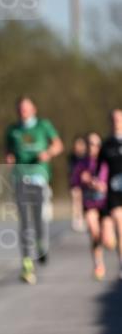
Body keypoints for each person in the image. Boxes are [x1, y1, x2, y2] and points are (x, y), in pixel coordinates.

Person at [5, 97, 64, 284]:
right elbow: (9, 151)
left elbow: (58, 145)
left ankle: (40, 246)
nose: (23, 111)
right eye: (20, 108)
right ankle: (27, 263)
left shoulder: (43, 126)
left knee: (38, 219)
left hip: (39, 178)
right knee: (24, 221)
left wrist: (48, 153)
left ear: (34, 109)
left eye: (26, 108)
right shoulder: (12, 130)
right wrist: (9, 158)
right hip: (20, 178)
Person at [69, 132, 109, 279]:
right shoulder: (81, 165)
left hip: (106, 204)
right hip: (90, 203)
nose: (93, 147)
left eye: (96, 144)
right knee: (94, 231)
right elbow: (75, 187)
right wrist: (76, 211)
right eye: (90, 144)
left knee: (108, 241)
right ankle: (98, 264)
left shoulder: (106, 163)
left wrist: (99, 185)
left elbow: (110, 184)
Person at [97, 108, 122, 279]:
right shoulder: (106, 145)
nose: (116, 122)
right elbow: (99, 170)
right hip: (114, 191)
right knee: (120, 225)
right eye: (113, 119)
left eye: (119, 119)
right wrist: (99, 183)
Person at [67, 135, 87, 231]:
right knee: (76, 200)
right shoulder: (72, 157)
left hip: (85, 183)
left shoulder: (87, 157)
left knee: (84, 200)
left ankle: (83, 218)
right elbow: (70, 171)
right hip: (75, 182)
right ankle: (76, 219)